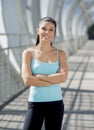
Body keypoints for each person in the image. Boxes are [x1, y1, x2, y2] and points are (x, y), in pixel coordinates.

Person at [21, 17, 68, 130]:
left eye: (51, 30)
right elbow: (27, 80)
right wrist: (53, 79)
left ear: (54, 33)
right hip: (35, 103)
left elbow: (63, 77)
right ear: (38, 30)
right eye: (44, 28)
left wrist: (42, 77)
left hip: (56, 103)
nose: (47, 32)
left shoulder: (60, 54)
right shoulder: (28, 53)